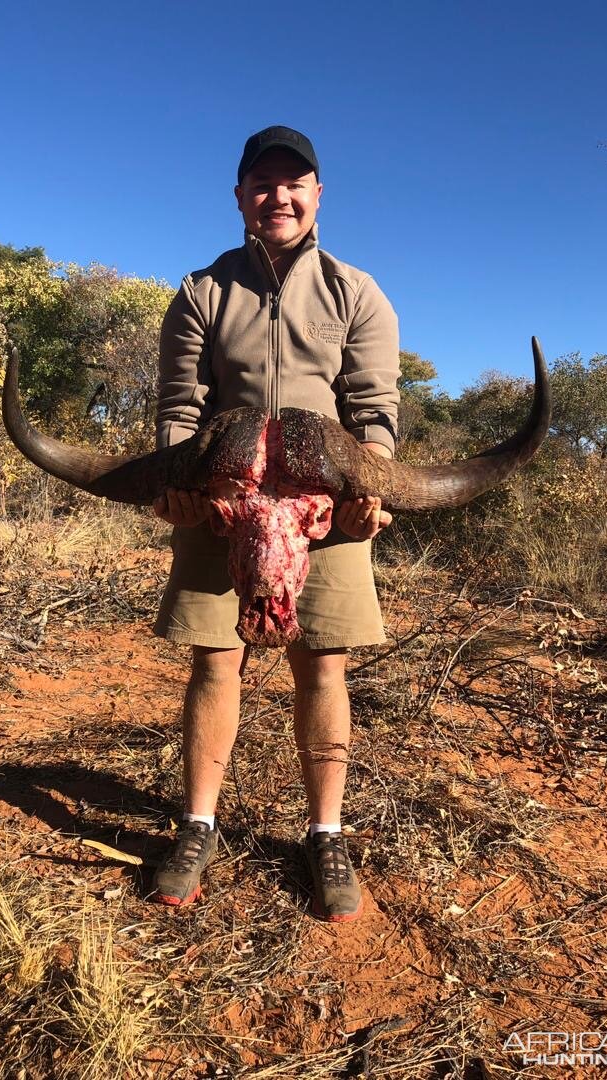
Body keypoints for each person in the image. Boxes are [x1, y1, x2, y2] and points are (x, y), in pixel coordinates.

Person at [150, 125, 400, 922]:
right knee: (214, 663)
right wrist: (178, 480)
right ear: (240, 197)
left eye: (295, 183)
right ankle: (199, 824)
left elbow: (375, 410)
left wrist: (372, 483)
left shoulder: (356, 292)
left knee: (324, 668)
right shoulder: (201, 291)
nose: (279, 196)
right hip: (221, 502)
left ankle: (325, 833)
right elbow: (179, 407)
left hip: (324, 510)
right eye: (263, 183)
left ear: (319, 195)